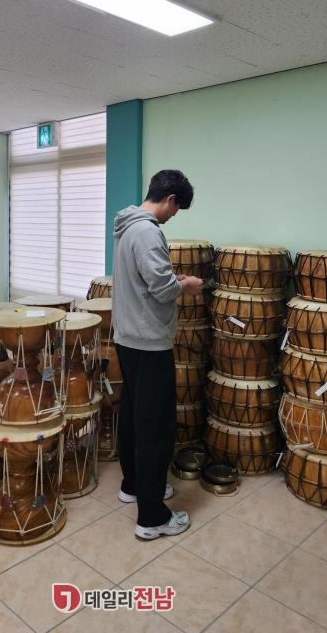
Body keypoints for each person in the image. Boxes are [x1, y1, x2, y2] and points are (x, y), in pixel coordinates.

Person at [112, 169, 203, 540]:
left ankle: (134, 485)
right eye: (176, 210)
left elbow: (146, 282)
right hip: (148, 343)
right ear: (170, 199)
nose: (172, 216)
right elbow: (163, 290)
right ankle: (152, 518)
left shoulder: (126, 227)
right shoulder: (148, 232)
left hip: (127, 337)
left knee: (134, 417)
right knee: (156, 428)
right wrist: (188, 284)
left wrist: (170, 280)